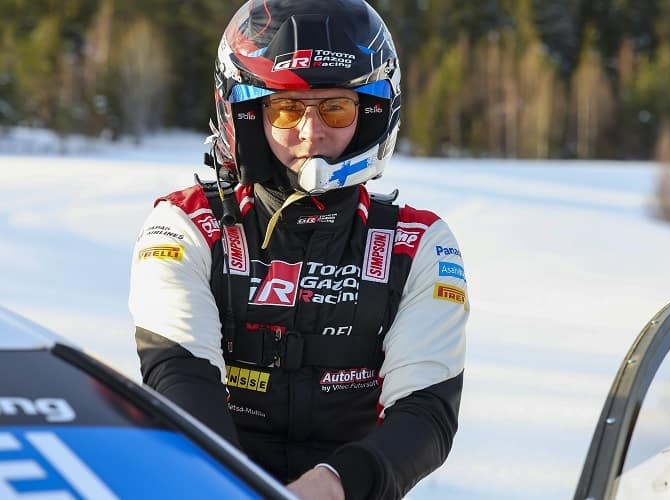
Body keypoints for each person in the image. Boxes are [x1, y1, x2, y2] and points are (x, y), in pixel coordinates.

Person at [128, 1, 468, 498]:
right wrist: (232, 487)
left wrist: (334, 485)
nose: (312, 133)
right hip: (209, 483)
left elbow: (426, 411)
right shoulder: (184, 225)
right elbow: (179, 372)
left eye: (336, 107)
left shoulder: (418, 243)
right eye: (286, 109)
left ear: (371, 115)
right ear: (248, 117)